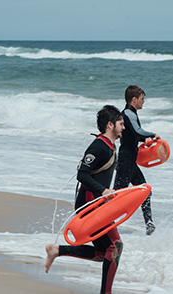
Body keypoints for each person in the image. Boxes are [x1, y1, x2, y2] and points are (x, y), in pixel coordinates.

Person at [45, 105, 125, 294]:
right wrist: (103, 190)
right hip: (89, 203)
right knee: (115, 247)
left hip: (99, 204)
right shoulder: (99, 146)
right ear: (110, 125)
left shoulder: (111, 146)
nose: (124, 127)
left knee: (102, 253)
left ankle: (56, 250)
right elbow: (82, 174)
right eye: (121, 124)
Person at [113, 85, 160, 236]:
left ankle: (149, 224)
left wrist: (144, 139)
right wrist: (153, 134)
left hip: (130, 160)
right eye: (142, 99)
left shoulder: (129, 114)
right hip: (126, 159)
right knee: (117, 196)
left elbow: (134, 135)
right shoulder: (128, 113)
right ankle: (102, 222)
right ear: (134, 99)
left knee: (145, 191)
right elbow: (137, 131)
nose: (143, 102)